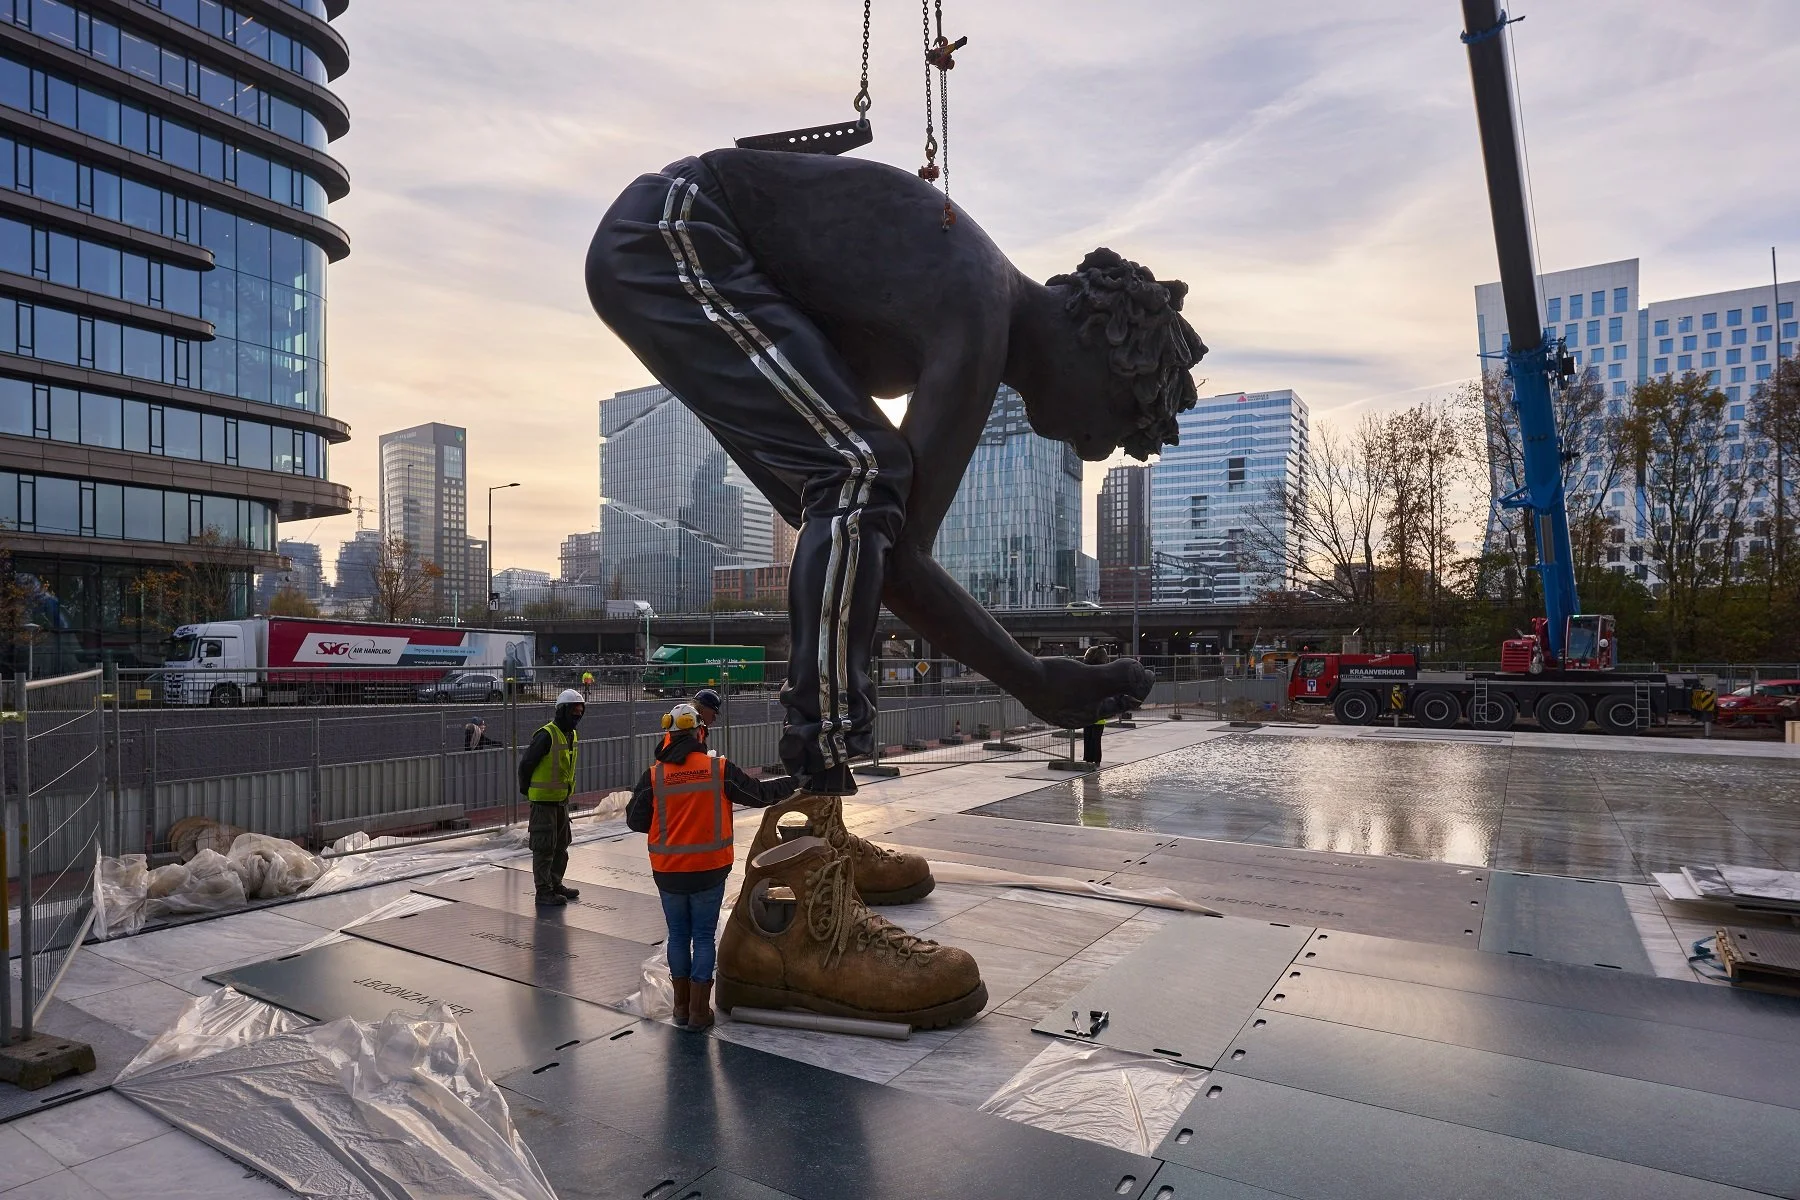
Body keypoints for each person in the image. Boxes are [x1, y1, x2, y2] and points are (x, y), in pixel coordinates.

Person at [586, 150, 1196, 794]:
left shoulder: (980, 306)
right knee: (862, 470)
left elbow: (887, 547)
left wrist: (1032, 680)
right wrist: (1033, 680)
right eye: (1119, 415)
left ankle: (818, 776)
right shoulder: (980, 304)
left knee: (853, 491)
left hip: (672, 237)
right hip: (671, 229)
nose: (1094, 445)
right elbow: (900, 548)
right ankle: (817, 758)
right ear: (1103, 348)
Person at [628, 702, 797, 1030]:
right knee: (704, 936)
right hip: (709, 869)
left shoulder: (654, 776)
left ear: (668, 735)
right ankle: (699, 1012)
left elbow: (635, 820)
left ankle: (679, 1007)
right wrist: (797, 781)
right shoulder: (718, 769)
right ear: (699, 733)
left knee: (678, 935)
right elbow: (759, 794)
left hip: (669, 871)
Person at [518, 689, 587, 906]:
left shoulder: (571, 734)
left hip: (560, 801)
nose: (577, 714)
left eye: (580, 710)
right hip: (543, 802)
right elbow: (526, 765)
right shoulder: (546, 735)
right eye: (574, 710)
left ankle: (555, 884)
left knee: (561, 846)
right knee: (544, 848)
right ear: (562, 710)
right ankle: (543, 891)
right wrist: (527, 791)